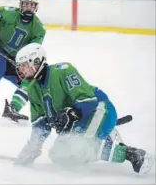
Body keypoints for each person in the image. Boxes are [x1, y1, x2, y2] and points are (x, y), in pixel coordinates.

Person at [13, 43, 155, 174]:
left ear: (36, 62)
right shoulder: (32, 89)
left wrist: (72, 112)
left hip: (99, 109)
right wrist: (31, 149)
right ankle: (104, 141)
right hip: (79, 123)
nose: (22, 70)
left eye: (24, 66)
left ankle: (132, 154)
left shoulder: (63, 71)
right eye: (20, 67)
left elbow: (88, 101)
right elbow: (40, 125)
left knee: (81, 147)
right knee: (58, 155)